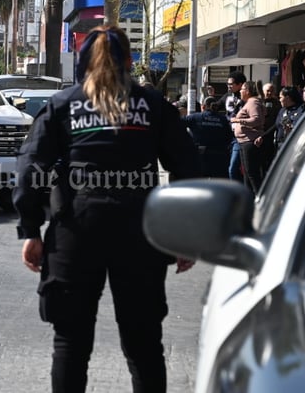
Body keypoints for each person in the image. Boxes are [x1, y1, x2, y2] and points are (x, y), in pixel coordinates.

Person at [12, 25, 200, 393]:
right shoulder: (154, 105)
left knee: (71, 343)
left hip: (77, 230)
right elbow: (187, 168)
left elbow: (31, 166)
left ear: (82, 61)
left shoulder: (64, 104)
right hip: (141, 232)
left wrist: (31, 229)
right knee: (144, 345)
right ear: (129, 60)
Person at [183, 96, 234, 178]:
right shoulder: (223, 119)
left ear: (203, 106)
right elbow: (229, 137)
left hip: (199, 158)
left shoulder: (195, 117)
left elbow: (176, 124)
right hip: (220, 158)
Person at [230, 81, 265, 193]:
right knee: (247, 172)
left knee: (251, 172)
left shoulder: (253, 103)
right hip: (243, 141)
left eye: (242, 89)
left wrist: (238, 120)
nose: (240, 91)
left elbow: (256, 119)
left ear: (248, 91)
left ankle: (258, 196)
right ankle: (250, 196)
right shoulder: (250, 102)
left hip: (249, 141)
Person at [256, 86, 304, 152]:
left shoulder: (300, 110)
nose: (279, 100)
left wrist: (290, 128)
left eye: (281, 97)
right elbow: (276, 125)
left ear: (287, 98)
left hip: (292, 145)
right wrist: (263, 136)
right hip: (279, 144)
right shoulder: (282, 110)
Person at [222, 71, 246, 182]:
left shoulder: (247, 99)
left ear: (240, 84)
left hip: (240, 137)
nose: (229, 86)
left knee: (234, 168)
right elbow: (216, 105)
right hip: (227, 136)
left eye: (231, 84)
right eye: (228, 84)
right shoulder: (227, 96)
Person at [257, 83, 281, 174]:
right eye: (268, 91)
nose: (270, 92)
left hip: (270, 135)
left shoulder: (277, 103)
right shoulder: (258, 102)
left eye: (272, 91)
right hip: (257, 135)